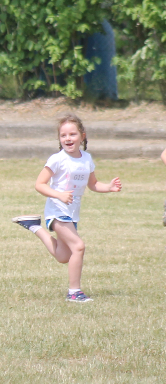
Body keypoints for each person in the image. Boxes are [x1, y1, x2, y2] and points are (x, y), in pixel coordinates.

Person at [11, 115, 121, 303]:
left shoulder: (87, 158)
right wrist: (58, 194)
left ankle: (33, 226)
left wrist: (109, 187)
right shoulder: (57, 159)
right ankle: (74, 292)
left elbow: (93, 184)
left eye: (72, 134)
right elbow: (40, 184)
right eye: (63, 135)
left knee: (63, 256)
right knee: (78, 246)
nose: (68, 138)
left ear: (82, 136)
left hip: (72, 213)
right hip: (57, 210)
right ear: (59, 139)